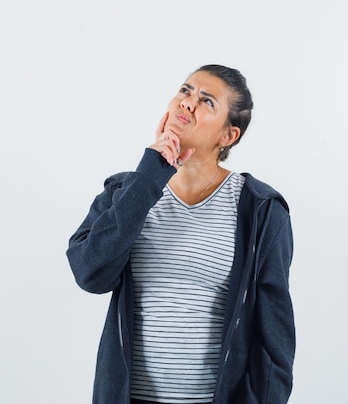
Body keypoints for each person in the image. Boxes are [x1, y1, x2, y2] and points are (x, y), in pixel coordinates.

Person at [67, 64, 295, 404]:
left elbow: (275, 336)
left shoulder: (261, 209)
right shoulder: (125, 191)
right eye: (185, 91)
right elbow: (91, 273)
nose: (188, 102)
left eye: (207, 101)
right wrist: (150, 173)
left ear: (228, 136)